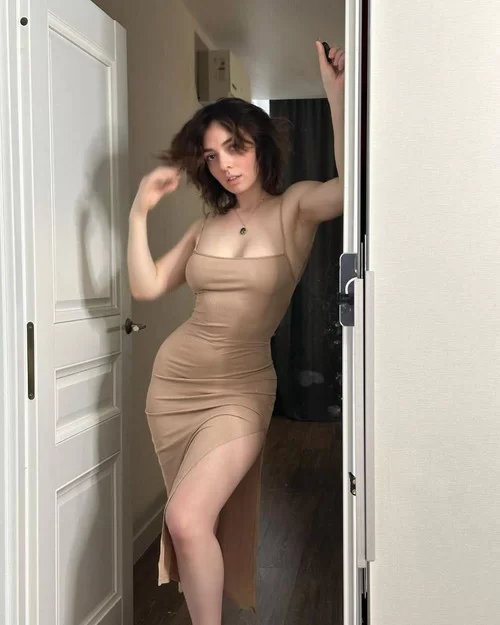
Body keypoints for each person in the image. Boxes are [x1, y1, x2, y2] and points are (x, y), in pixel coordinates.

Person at [127, 42, 345, 625]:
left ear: (259, 145)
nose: (225, 163)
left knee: (185, 517)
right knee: (191, 521)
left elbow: (351, 187)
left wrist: (337, 93)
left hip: (243, 388)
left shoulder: (294, 208)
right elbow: (147, 285)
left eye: (235, 146)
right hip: (176, 387)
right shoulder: (207, 225)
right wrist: (138, 213)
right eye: (212, 154)